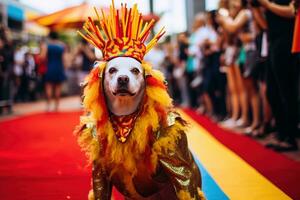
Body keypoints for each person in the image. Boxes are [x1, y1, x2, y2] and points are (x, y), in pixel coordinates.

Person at [256, 0, 299, 151]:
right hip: (272, 43)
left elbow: (292, 12)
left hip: (286, 42)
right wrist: (255, 7)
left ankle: (290, 136)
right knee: (272, 92)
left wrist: (267, 5)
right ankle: (281, 133)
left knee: (286, 91)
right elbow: (265, 26)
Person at [41, 31, 67, 112]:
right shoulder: (62, 46)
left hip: (50, 67)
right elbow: (64, 59)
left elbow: (43, 57)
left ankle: (48, 106)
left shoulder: (47, 46)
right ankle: (56, 107)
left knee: (49, 86)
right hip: (59, 67)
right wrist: (64, 67)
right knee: (58, 87)